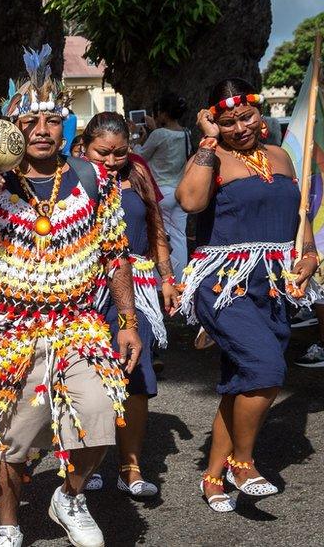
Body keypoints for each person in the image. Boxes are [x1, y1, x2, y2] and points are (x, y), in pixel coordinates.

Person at [0, 45, 140, 547]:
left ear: (66, 127)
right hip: (4, 330)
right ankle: (8, 524)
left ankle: (69, 497)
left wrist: (128, 320)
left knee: (99, 417)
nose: (42, 130)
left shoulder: (93, 181)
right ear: (11, 129)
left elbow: (116, 254)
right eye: (31, 121)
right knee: (13, 439)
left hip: (78, 326)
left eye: (52, 120)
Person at [176, 78, 319, 513]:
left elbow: (301, 218)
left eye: (246, 117)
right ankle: (243, 462)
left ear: (259, 115)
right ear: (214, 122)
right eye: (228, 120)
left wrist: (309, 257)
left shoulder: (281, 158)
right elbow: (190, 201)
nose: (240, 126)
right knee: (266, 366)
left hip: (275, 283)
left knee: (242, 380)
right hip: (224, 284)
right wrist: (208, 141)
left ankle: (212, 477)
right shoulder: (210, 156)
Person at [80, 112, 178, 498]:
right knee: (85, 377)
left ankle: (130, 464)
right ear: (83, 147)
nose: (111, 161)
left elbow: (156, 226)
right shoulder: (69, 181)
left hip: (136, 288)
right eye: (102, 152)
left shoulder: (136, 173)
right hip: (83, 291)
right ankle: (86, 461)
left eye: (120, 153)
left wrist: (167, 278)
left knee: (135, 377)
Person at [136, 93, 191, 280]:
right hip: (180, 191)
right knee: (179, 237)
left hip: (160, 192)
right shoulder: (186, 133)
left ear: (163, 113)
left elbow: (140, 156)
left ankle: (162, 282)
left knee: (160, 237)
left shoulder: (159, 134)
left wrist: (140, 138)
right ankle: (182, 278)